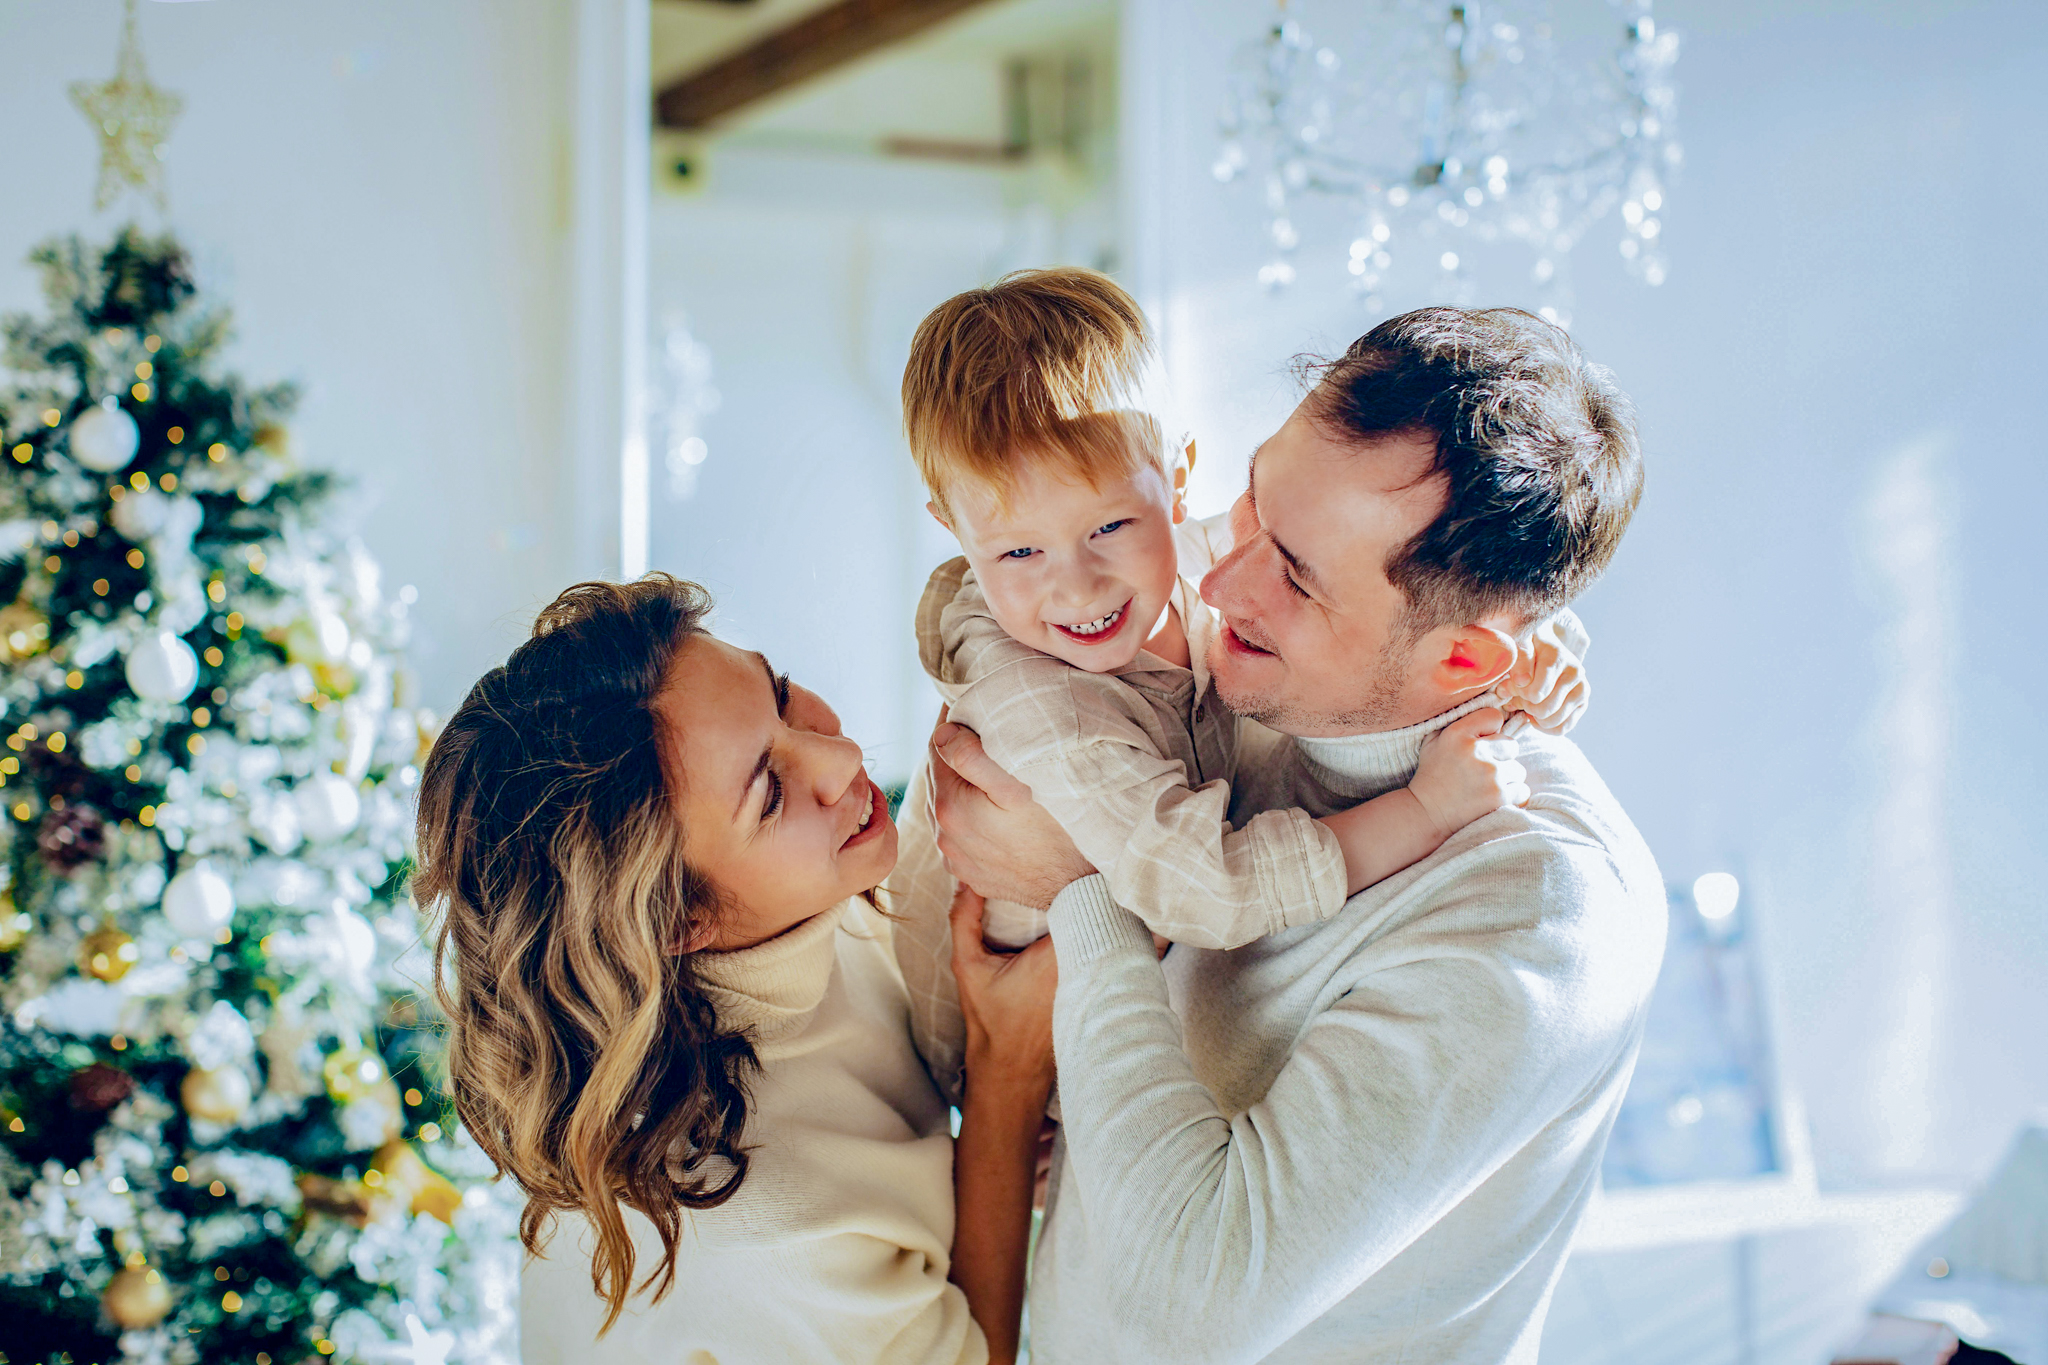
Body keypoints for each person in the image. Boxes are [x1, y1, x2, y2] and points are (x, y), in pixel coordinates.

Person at [929, 306, 1669, 1363]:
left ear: (1463, 662)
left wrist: (1077, 892)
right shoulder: (1258, 680)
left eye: (1298, 574)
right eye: (1251, 503)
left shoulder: (1539, 912)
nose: (1218, 583)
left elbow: (1186, 1301)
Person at [890, 268, 1580, 1099]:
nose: (1076, 587)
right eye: (1018, 552)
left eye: (1110, 525)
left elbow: (1395, 575)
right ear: (953, 528)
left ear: (1176, 478)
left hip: (1112, 989)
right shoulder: (1041, 705)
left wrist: (1537, 637)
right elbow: (1204, 889)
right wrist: (1425, 810)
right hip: (996, 1048)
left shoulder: (1182, 557)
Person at [411, 577, 1055, 1364]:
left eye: (781, 695)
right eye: (771, 793)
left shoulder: (790, 907)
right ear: (681, 920)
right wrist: (1008, 1076)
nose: (842, 755)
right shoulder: (760, 1221)